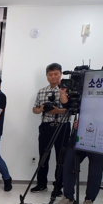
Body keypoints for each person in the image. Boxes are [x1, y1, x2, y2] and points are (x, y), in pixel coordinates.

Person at [55, 61, 103, 204]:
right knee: (69, 165)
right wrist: (63, 92)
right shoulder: (89, 89)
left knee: (95, 170)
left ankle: (89, 200)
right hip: (81, 132)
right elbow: (68, 105)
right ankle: (68, 197)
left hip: (102, 134)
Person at [31, 63, 70, 196]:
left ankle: (58, 187)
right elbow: (34, 109)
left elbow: (72, 110)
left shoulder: (67, 90)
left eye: (56, 74)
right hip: (46, 126)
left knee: (61, 158)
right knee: (43, 156)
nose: (53, 77)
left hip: (62, 126)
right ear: (47, 76)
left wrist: (58, 111)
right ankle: (41, 184)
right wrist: (41, 109)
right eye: (50, 74)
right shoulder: (42, 91)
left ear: (61, 74)